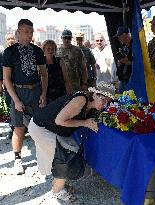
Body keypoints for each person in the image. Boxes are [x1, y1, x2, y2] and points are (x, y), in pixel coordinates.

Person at [28, 81, 115, 202]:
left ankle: (58, 183)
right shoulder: (81, 100)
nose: (105, 103)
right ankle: (57, 190)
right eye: (103, 98)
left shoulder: (92, 107)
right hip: (41, 127)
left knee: (70, 149)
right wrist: (85, 123)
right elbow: (60, 121)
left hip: (51, 128)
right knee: (66, 156)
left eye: (108, 101)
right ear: (94, 94)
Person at [2, 19, 48, 175]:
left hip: (35, 91)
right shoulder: (10, 52)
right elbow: (6, 78)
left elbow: (44, 74)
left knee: (40, 125)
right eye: (26, 31)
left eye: (31, 31)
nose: (29, 35)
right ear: (19, 32)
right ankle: (17, 159)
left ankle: (43, 155)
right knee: (18, 127)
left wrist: (43, 93)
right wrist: (15, 100)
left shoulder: (37, 50)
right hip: (18, 92)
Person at [113, 26, 132, 93]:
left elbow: (140, 63)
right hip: (122, 78)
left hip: (131, 80)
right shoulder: (124, 46)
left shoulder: (135, 46)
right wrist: (120, 62)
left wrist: (127, 62)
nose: (119, 39)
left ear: (125, 35)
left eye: (119, 36)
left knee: (130, 102)